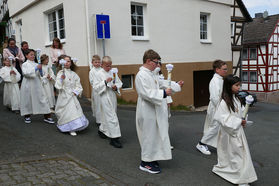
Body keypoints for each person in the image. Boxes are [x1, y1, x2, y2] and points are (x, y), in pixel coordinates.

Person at [212, 74, 257, 186]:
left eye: (239, 85)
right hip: (228, 133)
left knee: (240, 153)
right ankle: (238, 177)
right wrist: (237, 122)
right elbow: (222, 118)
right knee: (234, 154)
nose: (239, 88)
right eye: (236, 85)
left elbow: (240, 112)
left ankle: (242, 175)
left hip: (237, 131)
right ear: (229, 86)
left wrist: (243, 119)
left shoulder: (236, 99)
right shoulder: (223, 102)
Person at [135, 49, 172, 174]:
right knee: (148, 136)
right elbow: (146, 93)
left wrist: (176, 85)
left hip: (153, 109)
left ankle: (152, 158)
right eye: (156, 62)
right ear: (148, 61)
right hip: (146, 109)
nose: (157, 65)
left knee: (154, 135)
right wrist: (163, 93)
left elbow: (161, 84)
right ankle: (145, 162)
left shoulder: (151, 74)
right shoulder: (141, 75)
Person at [196, 60, 227, 155]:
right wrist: (222, 108)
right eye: (224, 69)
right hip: (216, 107)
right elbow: (214, 98)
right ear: (217, 69)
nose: (226, 70)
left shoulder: (220, 79)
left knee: (219, 127)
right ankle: (201, 144)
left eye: (226, 69)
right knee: (215, 127)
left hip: (219, 107)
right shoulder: (215, 81)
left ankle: (221, 145)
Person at [55, 55, 89, 136]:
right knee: (66, 112)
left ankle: (74, 127)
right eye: (65, 61)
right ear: (62, 63)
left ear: (71, 63)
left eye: (68, 61)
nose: (67, 63)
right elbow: (57, 86)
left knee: (73, 111)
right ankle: (68, 127)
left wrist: (75, 92)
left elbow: (78, 85)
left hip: (72, 95)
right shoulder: (60, 73)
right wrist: (61, 79)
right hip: (64, 95)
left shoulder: (74, 74)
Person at [94, 56, 123, 148]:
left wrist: (116, 87)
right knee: (112, 117)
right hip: (104, 96)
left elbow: (119, 82)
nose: (109, 68)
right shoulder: (98, 74)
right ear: (102, 65)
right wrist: (105, 82)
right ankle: (114, 138)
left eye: (110, 65)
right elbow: (96, 86)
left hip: (112, 96)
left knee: (107, 115)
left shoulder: (113, 72)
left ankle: (102, 129)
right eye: (107, 66)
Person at [153, 62, 184, 149]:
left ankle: (164, 143)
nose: (158, 66)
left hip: (163, 102)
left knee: (164, 124)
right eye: (156, 64)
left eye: (159, 64)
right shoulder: (151, 76)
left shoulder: (160, 76)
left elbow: (167, 85)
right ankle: (159, 143)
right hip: (156, 102)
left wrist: (177, 84)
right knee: (157, 124)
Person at [20, 49, 54, 124]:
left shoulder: (36, 64)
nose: (33, 56)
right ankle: (27, 115)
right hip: (28, 84)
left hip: (37, 83)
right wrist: (36, 68)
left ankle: (47, 116)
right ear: (26, 56)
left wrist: (40, 70)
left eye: (33, 54)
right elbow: (26, 73)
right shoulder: (25, 64)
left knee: (42, 98)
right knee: (27, 100)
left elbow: (40, 75)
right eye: (31, 54)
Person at [89, 55, 102, 126]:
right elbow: (92, 81)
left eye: (98, 62)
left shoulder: (102, 70)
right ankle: (98, 120)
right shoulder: (92, 71)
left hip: (103, 89)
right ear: (92, 63)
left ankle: (103, 118)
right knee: (97, 105)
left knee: (102, 104)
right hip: (96, 90)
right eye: (95, 62)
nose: (97, 64)